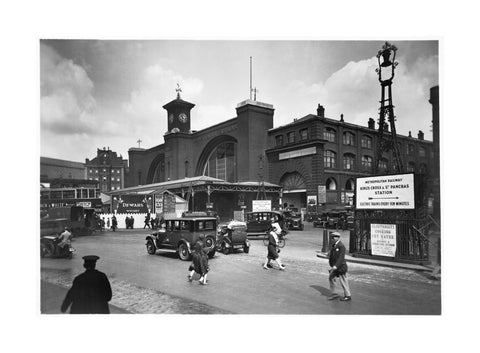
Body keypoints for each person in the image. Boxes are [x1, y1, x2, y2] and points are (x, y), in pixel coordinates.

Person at [327, 232, 351, 301]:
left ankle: (348, 295)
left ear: (338, 238)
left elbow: (341, 258)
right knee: (331, 278)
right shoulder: (334, 245)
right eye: (332, 237)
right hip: (334, 266)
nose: (333, 238)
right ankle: (334, 294)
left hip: (340, 267)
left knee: (343, 280)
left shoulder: (341, 246)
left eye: (334, 237)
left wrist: (336, 266)